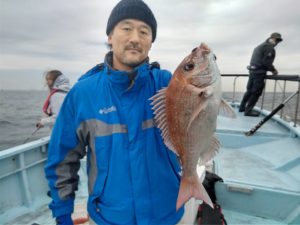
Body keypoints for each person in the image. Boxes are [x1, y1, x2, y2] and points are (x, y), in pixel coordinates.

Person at [45, 1, 185, 225]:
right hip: (108, 217)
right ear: (110, 36)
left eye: (144, 31)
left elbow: (200, 109)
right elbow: (62, 159)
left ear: (151, 42)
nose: (135, 38)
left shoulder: (168, 85)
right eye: (126, 28)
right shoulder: (83, 93)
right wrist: (63, 213)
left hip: (168, 213)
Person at [239, 32, 283, 117]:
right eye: (277, 39)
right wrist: (274, 70)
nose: (277, 42)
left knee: (249, 90)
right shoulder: (269, 47)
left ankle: (242, 108)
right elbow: (266, 62)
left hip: (252, 71)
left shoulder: (260, 45)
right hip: (259, 73)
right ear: (272, 38)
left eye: (279, 40)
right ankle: (248, 111)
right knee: (256, 92)